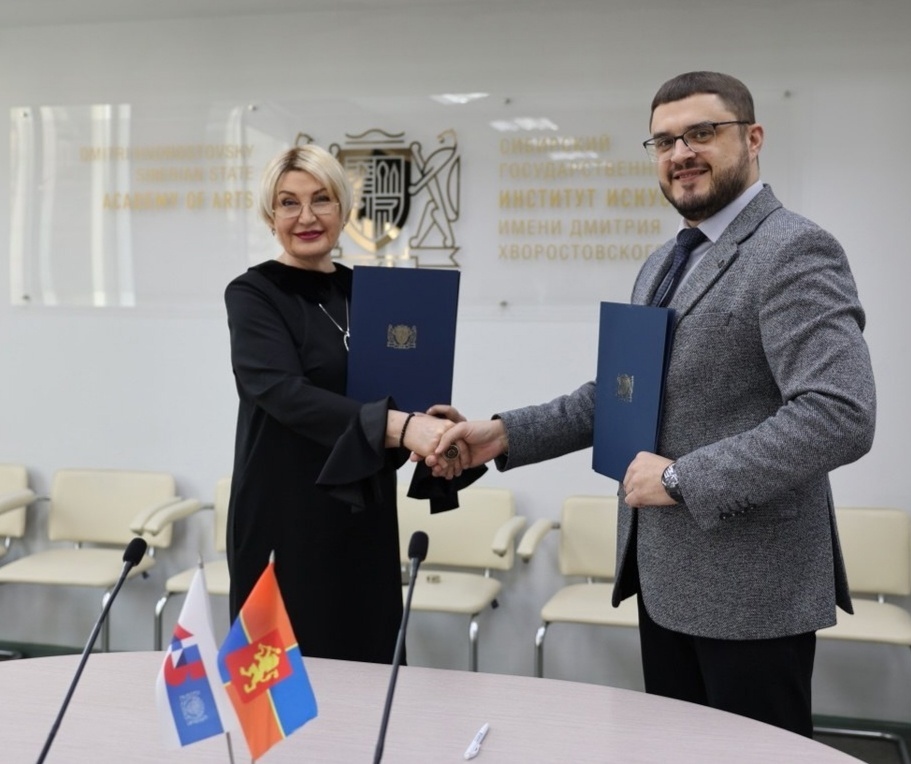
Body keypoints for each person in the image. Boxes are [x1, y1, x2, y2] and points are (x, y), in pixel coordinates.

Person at [429, 71, 877, 736]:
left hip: (750, 595)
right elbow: (623, 394)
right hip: (667, 578)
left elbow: (839, 414)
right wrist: (502, 434)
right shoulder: (665, 261)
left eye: (702, 133)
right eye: (664, 141)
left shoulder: (792, 249)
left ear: (753, 138)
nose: (681, 153)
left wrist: (680, 478)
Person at [225, 143, 470, 663]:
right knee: (281, 686)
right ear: (270, 216)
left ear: (343, 208)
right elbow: (284, 394)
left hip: (362, 515)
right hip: (284, 514)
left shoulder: (370, 292)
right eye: (288, 203)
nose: (306, 216)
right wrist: (401, 425)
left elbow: (392, 395)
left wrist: (433, 427)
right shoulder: (253, 294)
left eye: (321, 199)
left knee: (366, 670)